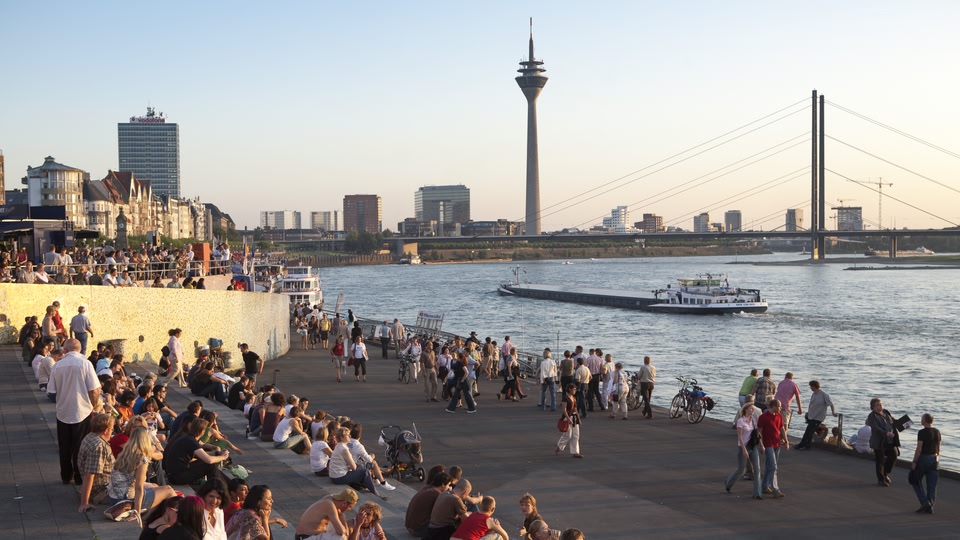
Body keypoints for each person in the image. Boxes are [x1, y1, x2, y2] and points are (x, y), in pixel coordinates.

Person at [48, 338, 101, 486]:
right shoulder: (85, 364)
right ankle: (79, 476)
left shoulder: (57, 366)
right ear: (80, 349)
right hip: (82, 410)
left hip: (63, 410)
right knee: (80, 445)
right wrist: (93, 405)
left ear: (65, 350)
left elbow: (51, 391)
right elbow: (95, 390)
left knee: (64, 445)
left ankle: (66, 475)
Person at [108, 427, 176, 517]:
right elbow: (139, 488)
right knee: (168, 490)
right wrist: (137, 511)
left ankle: (160, 515)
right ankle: (181, 514)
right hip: (127, 499)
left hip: (115, 498)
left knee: (155, 486)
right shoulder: (141, 458)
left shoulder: (123, 454)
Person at [163, 418, 230, 485]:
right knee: (210, 466)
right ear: (202, 431)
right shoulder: (191, 442)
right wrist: (223, 456)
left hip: (173, 474)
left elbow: (201, 455)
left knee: (206, 464)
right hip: (177, 477)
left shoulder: (187, 438)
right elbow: (209, 460)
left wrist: (217, 453)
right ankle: (218, 488)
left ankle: (219, 486)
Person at [327, 428, 387, 499]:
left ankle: (364, 484)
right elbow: (354, 467)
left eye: (349, 434)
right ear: (341, 437)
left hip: (334, 475)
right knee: (365, 471)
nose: (349, 436)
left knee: (361, 468)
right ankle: (375, 493)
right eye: (347, 435)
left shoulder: (339, 446)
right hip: (339, 477)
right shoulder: (344, 449)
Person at [77, 413, 116, 513]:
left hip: (108, 485)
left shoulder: (89, 437)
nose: (112, 431)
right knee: (150, 490)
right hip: (103, 491)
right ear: (105, 430)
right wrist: (84, 502)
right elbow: (89, 474)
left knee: (151, 487)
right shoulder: (98, 446)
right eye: (111, 429)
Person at [724, 402, 762, 499]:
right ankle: (728, 483)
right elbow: (740, 437)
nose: (752, 410)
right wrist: (744, 450)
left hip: (753, 447)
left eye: (752, 409)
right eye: (750, 409)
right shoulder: (741, 421)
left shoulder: (753, 420)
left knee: (757, 470)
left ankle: (757, 493)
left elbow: (757, 434)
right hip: (743, 447)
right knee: (741, 470)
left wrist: (762, 445)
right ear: (745, 410)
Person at [406, 472, 453, 537]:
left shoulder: (427, 488)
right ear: (442, 484)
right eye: (448, 485)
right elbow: (444, 513)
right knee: (449, 526)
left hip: (411, 526)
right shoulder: (436, 494)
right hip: (419, 529)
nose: (449, 488)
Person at [866, 397, 900, 487]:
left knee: (894, 455)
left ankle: (886, 473)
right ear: (872, 407)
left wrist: (904, 425)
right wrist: (886, 433)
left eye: (880, 404)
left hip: (890, 440)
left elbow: (894, 422)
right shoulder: (872, 416)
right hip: (879, 441)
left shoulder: (886, 412)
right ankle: (881, 479)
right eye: (877, 405)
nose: (879, 406)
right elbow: (876, 428)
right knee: (880, 460)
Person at [911, 413, 941, 514]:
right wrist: (938, 458)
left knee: (914, 480)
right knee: (931, 485)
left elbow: (919, 448)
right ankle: (930, 506)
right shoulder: (937, 431)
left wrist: (914, 461)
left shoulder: (922, 432)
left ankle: (924, 502)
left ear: (924, 421)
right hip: (934, 458)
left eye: (922, 418)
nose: (921, 420)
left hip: (924, 458)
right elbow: (938, 447)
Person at [757, 399, 787, 498]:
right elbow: (759, 431)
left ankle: (765, 486)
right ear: (773, 406)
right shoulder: (763, 417)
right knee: (773, 466)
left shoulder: (779, 416)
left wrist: (786, 440)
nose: (780, 408)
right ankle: (775, 489)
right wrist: (761, 444)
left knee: (769, 466)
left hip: (777, 443)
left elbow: (782, 428)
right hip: (768, 444)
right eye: (779, 406)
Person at [795, 380, 837, 450]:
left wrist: (833, 412)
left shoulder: (824, 395)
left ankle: (804, 445)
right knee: (808, 431)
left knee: (809, 431)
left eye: (811, 386)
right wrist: (808, 412)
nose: (810, 388)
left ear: (814, 386)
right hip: (812, 416)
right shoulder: (814, 394)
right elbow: (811, 404)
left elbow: (831, 404)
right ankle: (804, 445)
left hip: (818, 417)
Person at [555, 383, 582, 458]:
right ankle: (559, 446)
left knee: (576, 435)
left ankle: (575, 452)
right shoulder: (565, 398)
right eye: (574, 389)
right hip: (568, 417)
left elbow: (575, 409)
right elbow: (564, 410)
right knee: (568, 435)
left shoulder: (573, 398)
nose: (575, 391)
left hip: (574, 417)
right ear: (569, 389)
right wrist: (568, 418)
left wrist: (579, 419)